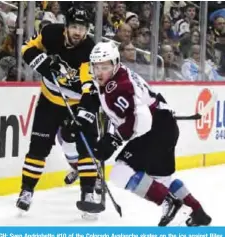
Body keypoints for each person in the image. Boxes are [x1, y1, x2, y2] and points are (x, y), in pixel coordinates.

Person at [88, 41, 212, 226]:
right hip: (165, 124)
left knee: (120, 173)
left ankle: (171, 204)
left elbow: (141, 118)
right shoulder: (118, 76)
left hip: (155, 128)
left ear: (115, 63)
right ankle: (197, 211)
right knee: (162, 181)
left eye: (104, 67)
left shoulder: (119, 87)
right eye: (96, 67)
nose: (99, 72)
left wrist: (114, 138)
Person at [16, 7, 101, 217]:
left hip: (76, 102)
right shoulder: (51, 33)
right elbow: (26, 48)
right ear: (66, 27)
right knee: (38, 146)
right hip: (50, 100)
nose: (78, 32)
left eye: (82, 28)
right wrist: (44, 64)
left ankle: (88, 193)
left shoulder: (90, 49)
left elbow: (89, 86)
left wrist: (83, 113)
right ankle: (26, 191)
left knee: (86, 147)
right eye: (74, 26)